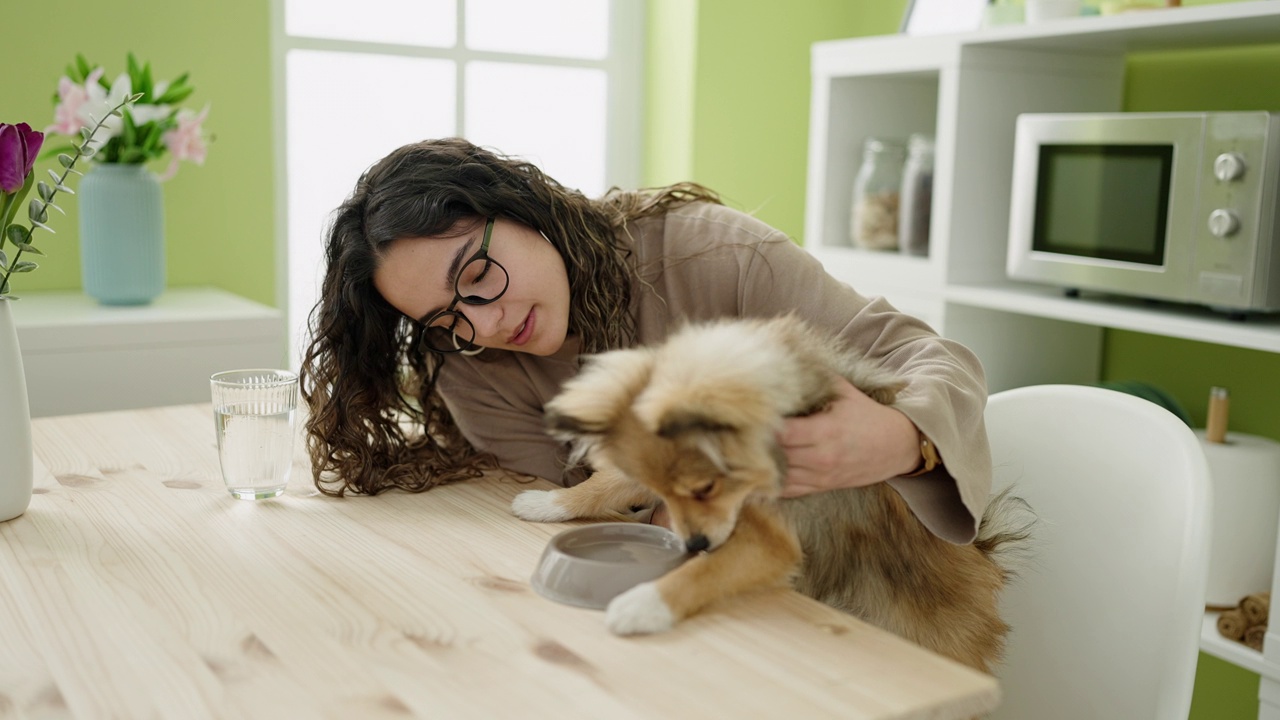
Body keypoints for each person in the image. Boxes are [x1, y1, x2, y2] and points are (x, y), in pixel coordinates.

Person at [300, 137, 991, 545]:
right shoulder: (474, 370)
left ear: (523, 208)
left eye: (477, 275)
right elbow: (584, 523)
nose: (486, 324)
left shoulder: (713, 255)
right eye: (447, 320)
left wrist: (903, 437)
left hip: (851, 576)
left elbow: (929, 356)